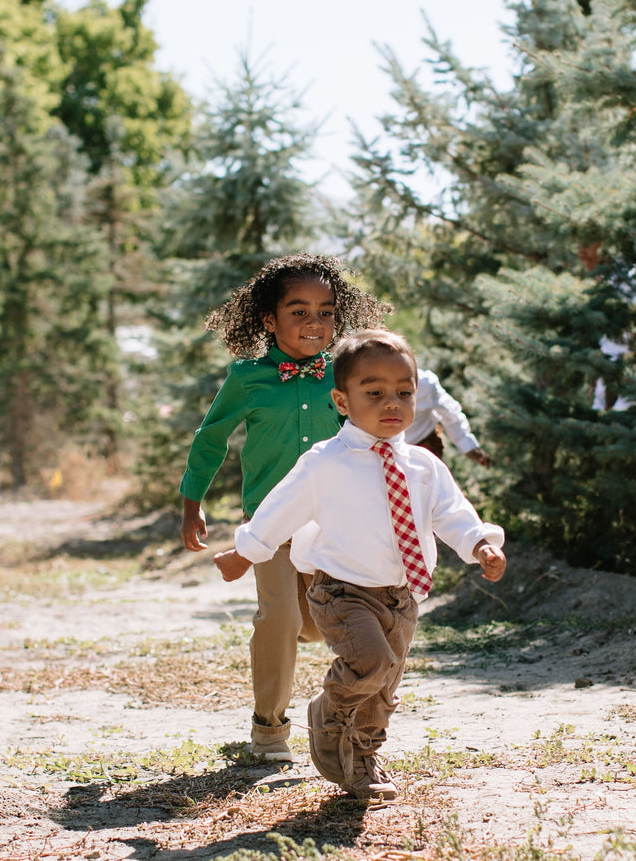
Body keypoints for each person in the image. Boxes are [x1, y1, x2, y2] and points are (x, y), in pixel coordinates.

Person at [213, 329, 507, 800]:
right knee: (370, 664)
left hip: (403, 593)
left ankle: (364, 761)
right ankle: (327, 714)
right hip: (342, 591)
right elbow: (280, 508)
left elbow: (451, 513)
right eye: (374, 393)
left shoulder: (423, 466)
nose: (392, 403)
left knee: (384, 687)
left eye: (404, 393)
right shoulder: (325, 462)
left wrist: (480, 544)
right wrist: (245, 551)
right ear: (342, 400)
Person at [179, 254, 389, 762]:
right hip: (269, 524)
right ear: (269, 320)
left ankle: (321, 673)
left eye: (326, 312)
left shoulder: (345, 373)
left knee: (317, 625)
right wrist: (192, 502)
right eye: (299, 312)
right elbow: (211, 438)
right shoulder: (248, 377)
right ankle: (269, 730)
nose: (314, 323)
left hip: (332, 524)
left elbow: (378, 431)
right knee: (277, 617)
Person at [404, 369, 491, 467]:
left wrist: (467, 444)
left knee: (433, 480)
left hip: (424, 446)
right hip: (387, 454)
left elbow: (450, 412)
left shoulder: (423, 384)